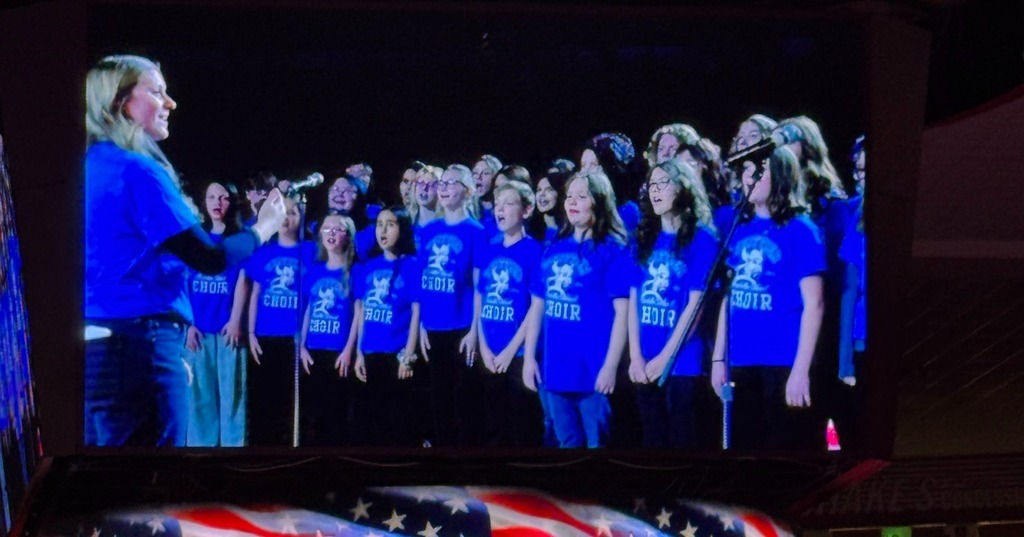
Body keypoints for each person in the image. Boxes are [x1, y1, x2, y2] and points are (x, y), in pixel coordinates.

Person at [84, 55, 285, 447]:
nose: (170, 103)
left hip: (97, 347)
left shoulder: (88, 165)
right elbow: (210, 258)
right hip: (142, 341)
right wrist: (265, 226)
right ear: (119, 101)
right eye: (157, 92)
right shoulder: (138, 171)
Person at [710, 146, 825, 451]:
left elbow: (814, 304)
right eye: (746, 170)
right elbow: (728, 299)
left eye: (758, 171)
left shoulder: (801, 230)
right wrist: (719, 358)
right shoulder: (739, 229)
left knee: (782, 447)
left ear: (781, 176)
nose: (749, 177)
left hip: (781, 360)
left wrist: (801, 370)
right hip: (740, 359)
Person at [523, 170, 630, 449]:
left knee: (598, 446)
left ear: (599, 202)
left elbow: (623, 314)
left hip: (594, 371)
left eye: (581, 196)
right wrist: (529, 358)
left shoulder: (613, 252)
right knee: (566, 444)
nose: (572, 202)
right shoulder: (553, 250)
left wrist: (610, 366)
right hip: (555, 369)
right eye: (569, 196)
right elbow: (537, 307)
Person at [627, 158, 717, 448]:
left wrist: (667, 356)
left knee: (682, 439)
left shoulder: (701, 240)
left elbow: (695, 306)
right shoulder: (644, 238)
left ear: (682, 187)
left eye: (662, 183)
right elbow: (633, 300)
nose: (655, 190)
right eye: (651, 184)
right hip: (645, 360)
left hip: (683, 362)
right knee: (652, 439)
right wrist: (636, 356)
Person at [417, 164, 488, 446]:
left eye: (451, 183)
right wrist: (422, 324)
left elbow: (479, 284)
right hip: (433, 326)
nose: (444, 189)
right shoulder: (429, 230)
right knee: (439, 397)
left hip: (462, 327)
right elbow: (423, 280)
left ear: (468, 191)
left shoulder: (476, 232)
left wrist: (474, 330)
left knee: (464, 399)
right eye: (442, 184)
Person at [474, 181, 545, 446]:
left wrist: (510, 350)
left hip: (517, 354)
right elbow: (480, 300)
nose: (500, 209)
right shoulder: (490, 249)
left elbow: (535, 307)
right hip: (489, 354)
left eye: (509, 203)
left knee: (521, 426)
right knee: (494, 425)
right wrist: (483, 347)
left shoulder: (535, 251)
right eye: (497, 204)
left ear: (527, 210)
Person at [183, 180, 250, 447]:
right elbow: (182, 282)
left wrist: (235, 320)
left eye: (222, 197)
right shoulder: (195, 239)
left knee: (233, 395)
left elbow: (244, 281)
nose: (217, 203)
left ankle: (234, 448)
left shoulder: (239, 240)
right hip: (198, 331)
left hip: (227, 330)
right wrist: (188, 324)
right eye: (211, 197)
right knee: (198, 396)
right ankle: (200, 450)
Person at [244, 196, 311, 446]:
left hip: (295, 337)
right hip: (266, 334)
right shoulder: (264, 252)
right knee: (265, 398)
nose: (287, 218)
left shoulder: (310, 251)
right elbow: (255, 293)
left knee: (291, 399)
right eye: (284, 212)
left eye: (293, 213)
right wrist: (251, 333)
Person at [352, 207, 420, 446]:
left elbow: (416, 313)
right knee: (373, 420)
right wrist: (359, 353)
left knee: (398, 422)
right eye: (379, 224)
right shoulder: (368, 267)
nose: (383, 229)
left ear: (402, 229)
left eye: (390, 224)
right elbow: (362, 312)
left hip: (397, 354)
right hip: (371, 352)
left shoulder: (411, 265)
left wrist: (408, 356)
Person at [298, 214, 358, 446]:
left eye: (338, 229)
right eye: (326, 229)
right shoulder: (314, 271)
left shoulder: (355, 272)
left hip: (339, 353)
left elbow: (358, 314)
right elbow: (309, 309)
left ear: (348, 236)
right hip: (314, 351)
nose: (331, 233)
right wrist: (302, 346)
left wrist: (348, 350)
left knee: (338, 414)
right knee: (316, 413)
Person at [581, 133, 646, 237]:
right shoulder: (578, 210)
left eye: (594, 165)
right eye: (583, 165)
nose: (586, 172)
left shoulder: (628, 212)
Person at [535, 159, 575, 248]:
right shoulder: (531, 230)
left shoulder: (573, 231)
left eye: (549, 190)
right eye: (539, 190)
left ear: (560, 194)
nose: (542, 194)